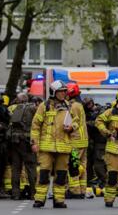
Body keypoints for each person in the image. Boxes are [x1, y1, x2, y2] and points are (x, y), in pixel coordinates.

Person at [31, 80, 73, 209]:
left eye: (64, 91)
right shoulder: (44, 106)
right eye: (61, 91)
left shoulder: (69, 106)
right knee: (43, 174)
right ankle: (39, 199)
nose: (63, 94)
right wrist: (34, 143)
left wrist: (71, 128)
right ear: (54, 92)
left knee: (61, 175)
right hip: (46, 146)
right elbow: (35, 126)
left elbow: (76, 123)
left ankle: (59, 200)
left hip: (63, 146)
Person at [8, 93, 38, 200]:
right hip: (26, 141)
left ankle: (15, 193)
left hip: (14, 141)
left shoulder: (12, 108)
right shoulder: (32, 108)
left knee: (16, 168)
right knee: (30, 167)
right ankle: (33, 193)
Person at [66, 83, 88, 199]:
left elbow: (75, 121)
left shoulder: (73, 106)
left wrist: (68, 129)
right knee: (82, 166)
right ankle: (82, 189)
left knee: (73, 165)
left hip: (75, 141)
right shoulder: (79, 105)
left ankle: (75, 190)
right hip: (83, 141)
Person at [83, 98, 107, 188]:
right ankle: (89, 183)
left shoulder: (102, 111)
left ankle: (105, 182)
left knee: (99, 164)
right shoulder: (86, 113)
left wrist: (86, 123)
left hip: (100, 141)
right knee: (88, 163)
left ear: (93, 102)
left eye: (89, 103)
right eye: (86, 105)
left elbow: (98, 124)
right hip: (90, 142)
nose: (89, 106)